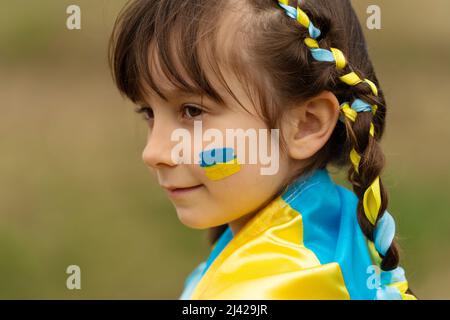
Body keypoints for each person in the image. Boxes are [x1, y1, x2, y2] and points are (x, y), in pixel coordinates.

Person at [109, 0, 416, 299]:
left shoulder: (281, 286)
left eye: (192, 111)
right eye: (148, 112)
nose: (154, 152)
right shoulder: (333, 228)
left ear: (307, 124)